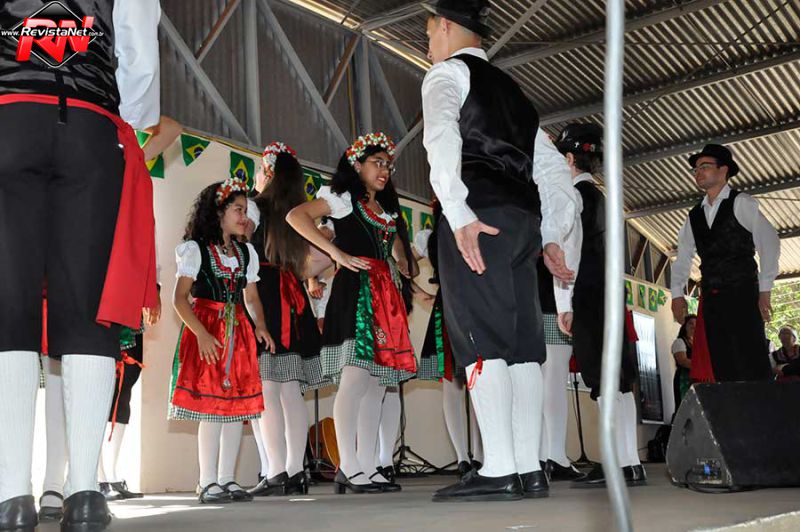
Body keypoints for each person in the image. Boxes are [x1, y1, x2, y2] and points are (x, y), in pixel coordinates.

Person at [0, 1, 161, 529]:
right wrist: (126, 115)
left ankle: (11, 495)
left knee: (9, 305)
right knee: (88, 308)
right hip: (91, 126)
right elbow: (139, 48)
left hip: (8, 114)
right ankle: (86, 492)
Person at [421, 1, 580, 502]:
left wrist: (458, 211)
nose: (429, 46)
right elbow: (555, 174)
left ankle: (499, 468)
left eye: (429, 35)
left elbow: (440, 137)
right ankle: (529, 468)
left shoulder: (447, 74)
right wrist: (552, 234)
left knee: (481, 339)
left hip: (479, 216)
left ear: (446, 27)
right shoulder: (517, 96)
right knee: (522, 346)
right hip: (522, 224)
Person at [287, 132, 417, 494]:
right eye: (377, 163)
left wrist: (402, 262)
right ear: (357, 165)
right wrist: (335, 253)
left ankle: (369, 464)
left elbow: (393, 252)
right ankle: (348, 464)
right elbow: (296, 216)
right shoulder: (342, 200)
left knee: (377, 384)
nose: (385, 170)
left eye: (388, 165)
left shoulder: (387, 210)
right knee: (356, 379)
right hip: (356, 293)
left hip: (384, 296)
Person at [549, 124, 644, 489]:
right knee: (618, 380)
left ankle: (615, 464)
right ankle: (630, 463)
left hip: (587, 294)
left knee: (602, 381)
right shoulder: (603, 198)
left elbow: (567, 253)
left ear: (568, 159)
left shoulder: (572, 196)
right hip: (611, 294)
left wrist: (564, 302)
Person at [168, 179, 274, 504]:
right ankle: (207, 481)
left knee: (236, 409)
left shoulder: (245, 252)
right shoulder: (196, 249)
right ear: (218, 212)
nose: (244, 217)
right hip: (209, 332)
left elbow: (251, 297)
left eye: (245, 210)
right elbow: (180, 299)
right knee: (212, 409)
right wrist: (201, 333)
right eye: (238, 210)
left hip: (238, 334)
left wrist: (261, 326)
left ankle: (227, 478)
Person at [248, 142, 327, 497]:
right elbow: (318, 258)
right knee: (291, 388)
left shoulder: (254, 207)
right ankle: (296, 470)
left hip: (263, 295)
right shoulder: (299, 212)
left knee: (268, 386)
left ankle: (276, 470)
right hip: (292, 298)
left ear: (267, 172)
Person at [671, 144, 779, 383]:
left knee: (750, 357)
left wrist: (765, 290)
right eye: (696, 169)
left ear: (724, 170)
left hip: (743, 292)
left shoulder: (741, 202)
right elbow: (684, 256)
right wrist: (677, 294)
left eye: (705, 166)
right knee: (721, 363)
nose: (698, 172)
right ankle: (730, 405)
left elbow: (769, 242)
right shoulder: (694, 215)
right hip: (712, 297)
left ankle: (759, 405)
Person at [415, 198, 484, 478]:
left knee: (478, 384)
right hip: (453, 308)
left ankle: (477, 456)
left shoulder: (471, 227)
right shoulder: (429, 237)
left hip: (471, 306)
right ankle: (465, 457)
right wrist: (420, 294)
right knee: (457, 384)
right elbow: (402, 263)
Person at [538, 256, 583, 481]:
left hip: (544, 301)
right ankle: (552, 456)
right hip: (552, 301)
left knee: (544, 383)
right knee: (552, 382)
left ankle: (546, 456)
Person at [672, 315, 697, 409]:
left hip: (696, 379)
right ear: (685, 326)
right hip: (684, 379)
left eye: (696, 324)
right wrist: (701, 367)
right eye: (690, 323)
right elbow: (682, 361)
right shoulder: (679, 342)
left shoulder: (698, 344)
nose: (693, 326)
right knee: (684, 407)